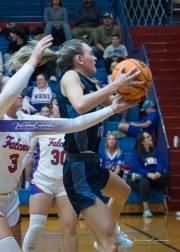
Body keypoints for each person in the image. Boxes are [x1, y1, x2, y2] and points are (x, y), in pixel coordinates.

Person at [0, 35, 138, 252]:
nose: (95, 57)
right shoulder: (70, 76)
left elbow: (77, 121)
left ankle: (111, 228)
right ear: (79, 59)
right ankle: (108, 234)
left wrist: (123, 94)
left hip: (82, 164)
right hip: (69, 168)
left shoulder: (32, 121)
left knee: (120, 193)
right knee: (30, 235)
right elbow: (80, 106)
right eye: (90, 53)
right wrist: (34, 60)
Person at [22, 95, 79, 252]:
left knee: (70, 228)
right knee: (36, 228)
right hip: (42, 180)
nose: (59, 107)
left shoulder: (75, 125)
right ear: (52, 106)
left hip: (66, 183)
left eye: (63, 104)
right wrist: (15, 176)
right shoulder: (42, 125)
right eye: (56, 104)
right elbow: (27, 154)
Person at [126, 132, 170, 217]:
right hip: (139, 178)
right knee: (144, 181)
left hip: (154, 176)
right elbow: (136, 168)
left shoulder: (156, 151)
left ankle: (149, 186)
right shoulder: (136, 153)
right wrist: (148, 174)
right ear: (142, 141)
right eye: (147, 137)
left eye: (150, 136)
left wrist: (158, 172)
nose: (150, 138)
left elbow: (161, 163)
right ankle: (146, 209)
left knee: (166, 175)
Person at [103, 57, 128, 122]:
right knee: (104, 103)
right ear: (110, 68)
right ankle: (104, 120)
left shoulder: (124, 77)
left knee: (125, 100)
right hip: (110, 97)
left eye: (117, 66)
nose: (115, 68)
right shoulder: (107, 78)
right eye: (113, 67)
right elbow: (104, 91)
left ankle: (123, 119)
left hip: (121, 96)